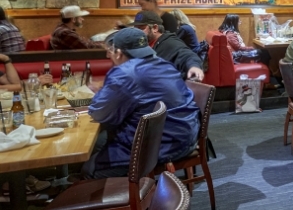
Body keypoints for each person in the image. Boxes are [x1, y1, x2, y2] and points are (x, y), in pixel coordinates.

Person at [84, 28, 199, 178]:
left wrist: (100, 94)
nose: (107, 55)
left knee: (88, 168)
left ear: (118, 53)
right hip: (186, 136)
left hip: (163, 146)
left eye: (109, 51)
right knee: (99, 142)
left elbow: (99, 113)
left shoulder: (124, 73)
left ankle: (130, 198)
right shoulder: (163, 64)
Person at [133, 12, 204, 81]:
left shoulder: (170, 43)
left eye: (141, 28)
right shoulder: (143, 43)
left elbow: (187, 55)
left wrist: (194, 66)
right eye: (135, 28)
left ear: (155, 28)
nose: (136, 32)